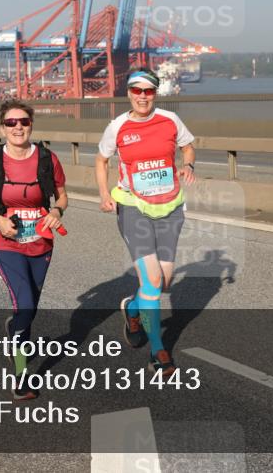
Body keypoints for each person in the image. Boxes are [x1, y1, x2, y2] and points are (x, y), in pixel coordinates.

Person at [95, 70, 195, 378]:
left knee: (164, 282)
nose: (142, 96)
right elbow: (101, 159)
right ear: (128, 92)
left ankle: (133, 309)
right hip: (132, 206)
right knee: (151, 282)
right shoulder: (118, 127)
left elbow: (188, 145)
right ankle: (158, 350)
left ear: (155, 93)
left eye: (148, 91)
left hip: (170, 206)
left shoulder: (170, 120)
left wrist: (188, 163)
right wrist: (104, 194)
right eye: (137, 90)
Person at [0, 99, 67, 401]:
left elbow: (62, 197)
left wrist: (57, 212)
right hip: (6, 243)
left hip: (40, 242)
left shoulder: (47, 159)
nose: (18, 127)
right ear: (2, 128)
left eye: (23, 121)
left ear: (31, 125)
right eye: (11, 123)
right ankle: (22, 376)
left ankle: (15, 327)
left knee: (29, 310)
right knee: (25, 304)